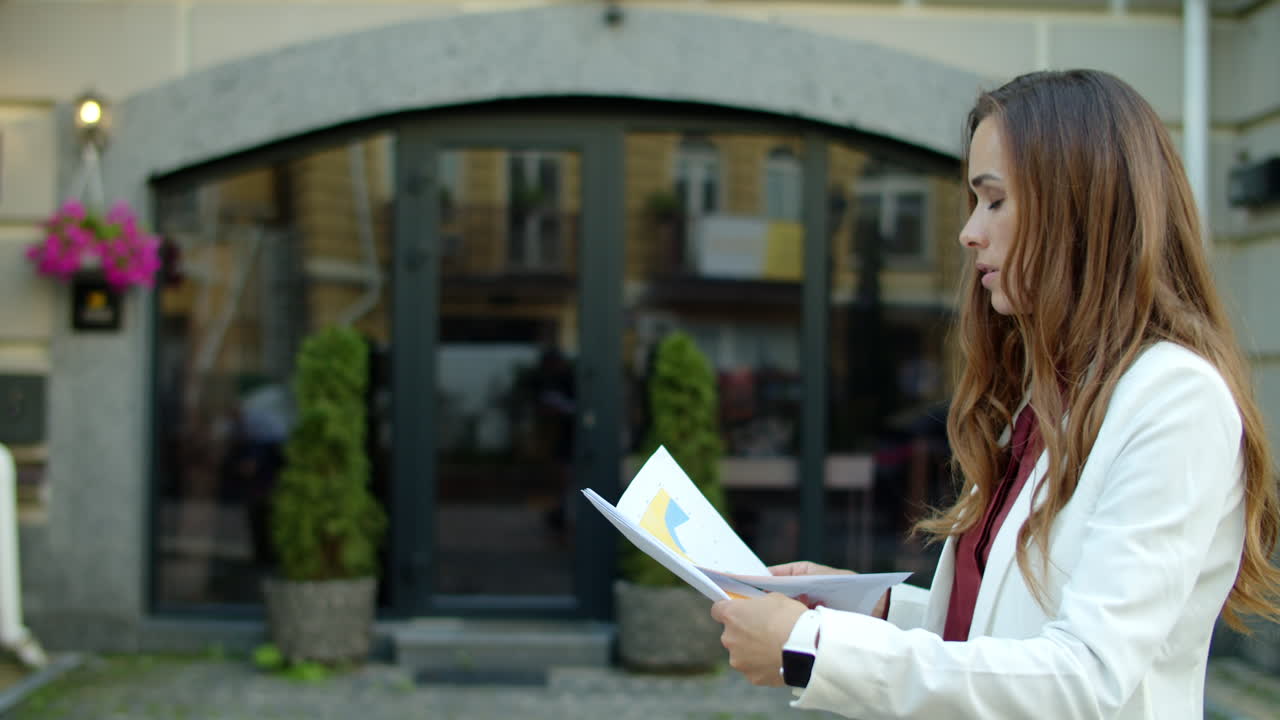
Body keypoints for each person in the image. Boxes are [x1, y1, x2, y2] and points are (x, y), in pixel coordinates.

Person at [710, 69, 1280, 719]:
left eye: (995, 200)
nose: (969, 232)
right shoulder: (1047, 400)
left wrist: (814, 649)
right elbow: (1003, 630)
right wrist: (873, 609)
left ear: (1078, 210)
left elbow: (1085, 677)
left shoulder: (1175, 401)